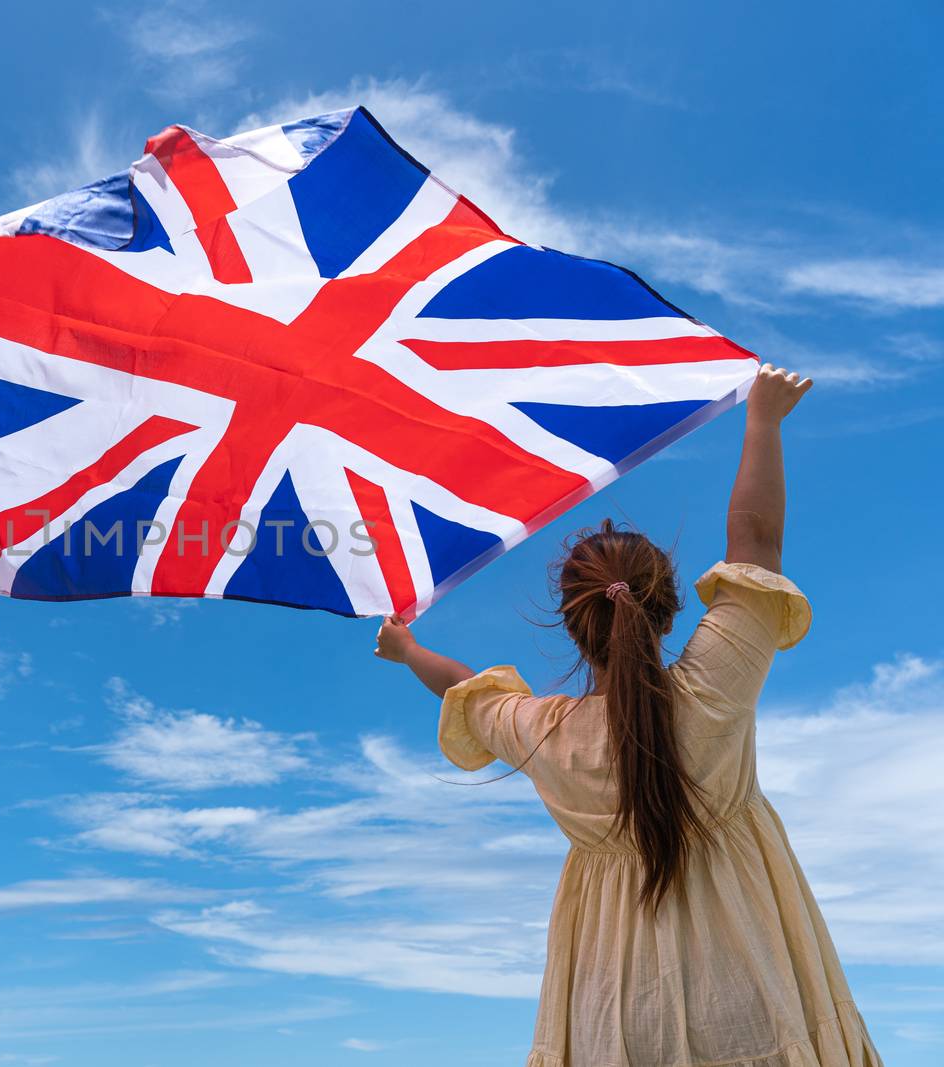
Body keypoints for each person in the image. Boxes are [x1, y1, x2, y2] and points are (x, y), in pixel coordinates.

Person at [373, 364, 883, 1067]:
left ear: (573, 624)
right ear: (667, 604)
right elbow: (757, 542)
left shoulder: (548, 733)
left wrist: (407, 649)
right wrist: (761, 418)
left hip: (612, 1018)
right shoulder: (712, 691)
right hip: (754, 1004)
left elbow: (465, 689)